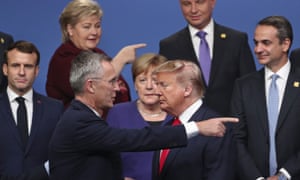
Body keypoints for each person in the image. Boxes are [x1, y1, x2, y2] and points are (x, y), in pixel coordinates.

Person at [49, 51, 238, 180]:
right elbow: (135, 138)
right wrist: (196, 127)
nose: (118, 87)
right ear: (90, 85)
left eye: (163, 84)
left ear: (187, 89)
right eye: (112, 81)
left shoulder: (83, 118)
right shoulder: (80, 122)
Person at [231, 16, 300, 180]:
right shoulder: (243, 86)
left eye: (266, 43)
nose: (257, 49)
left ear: (285, 44)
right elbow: (236, 138)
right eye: (256, 43)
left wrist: (284, 175)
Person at [159, 0, 256, 116]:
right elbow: (164, 91)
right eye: (187, 4)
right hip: (189, 128)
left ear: (212, 2)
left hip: (232, 126)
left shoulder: (236, 40)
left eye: (199, 2)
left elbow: (250, 87)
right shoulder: (169, 46)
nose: (193, 10)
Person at [46, 0, 145, 109]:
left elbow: (121, 91)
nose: (94, 32)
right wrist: (119, 61)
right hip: (82, 124)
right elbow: (93, 93)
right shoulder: (62, 59)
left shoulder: (98, 54)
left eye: (97, 26)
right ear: (70, 29)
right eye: (87, 27)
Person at [151, 60, 236, 180]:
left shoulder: (216, 128)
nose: (157, 92)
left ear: (187, 90)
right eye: (157, 85)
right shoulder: (168, 125)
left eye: (163, 85)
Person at [0, 41, 64, 179]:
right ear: (5, 69)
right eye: (16, 65)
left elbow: (62, 158)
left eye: (28, 66)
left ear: (36, 71)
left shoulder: (54, 109)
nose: (22, 72)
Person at [106, 53, 173, 180]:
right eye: (142, 80)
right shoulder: (118, 114)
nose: (149, 86)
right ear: (135, 85)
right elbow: (105, 161)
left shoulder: (177, 116)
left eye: (155, 81)